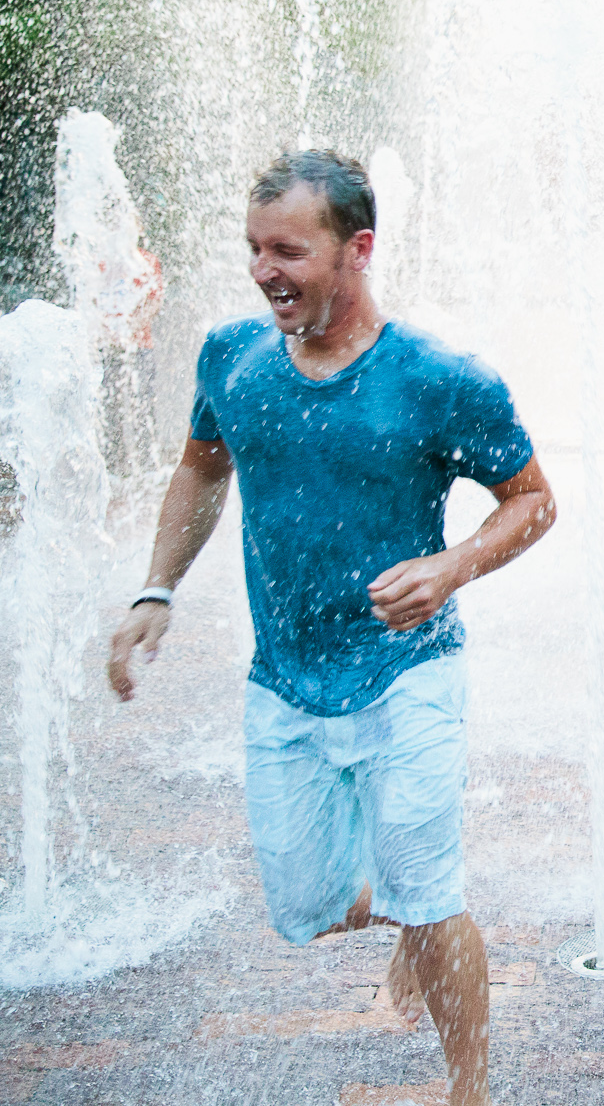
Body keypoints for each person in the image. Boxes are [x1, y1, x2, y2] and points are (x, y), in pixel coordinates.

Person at [106, 151, 554, 1106]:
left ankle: (469, 1088)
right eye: (255, 250)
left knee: (430, 891)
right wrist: (156, 589)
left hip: (410, 672)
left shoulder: (439, 377)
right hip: (286, 680)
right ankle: (402, 914)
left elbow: (533, 503)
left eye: (288, 251)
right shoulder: (232, 357)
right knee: (304, 907)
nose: (266, 270)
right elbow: (201, 469)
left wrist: (450, 566)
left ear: (358, 250)